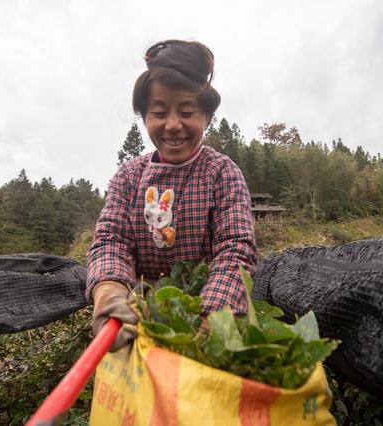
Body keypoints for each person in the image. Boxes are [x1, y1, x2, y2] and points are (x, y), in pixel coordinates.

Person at [86, 40, 257, 351]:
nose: (174, 125)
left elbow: (235, 248)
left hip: (207, 313)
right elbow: (111, 239)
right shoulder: (128, 176)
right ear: (145, 117)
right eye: (160, 112)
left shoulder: (221, 172)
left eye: (187, 112)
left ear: (206, 116)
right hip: (140, 316)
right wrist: (109, 291)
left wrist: (209, 317)